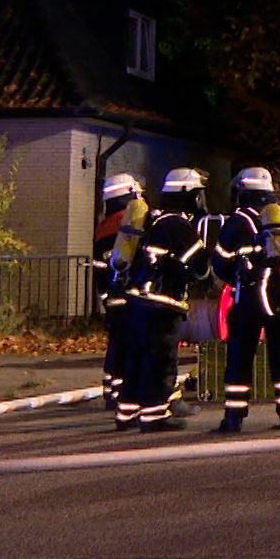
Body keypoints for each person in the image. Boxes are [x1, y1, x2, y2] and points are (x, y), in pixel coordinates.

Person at [211, 168, 280, 433]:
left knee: (240, 358)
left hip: (248, 298)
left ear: (243, 192)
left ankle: (233, 418)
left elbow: (219, 262)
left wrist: (237, 278)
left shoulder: (235, 223)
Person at [121, 168, 212, 431]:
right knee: (162, 360)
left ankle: (126, 413)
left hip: (138, 300)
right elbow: (198, 264)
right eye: (197, 194)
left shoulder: (152, 219)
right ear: (186, 195)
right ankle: (155, 416)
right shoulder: (177, 225)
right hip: (162, 303)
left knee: (137, 358)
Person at [94, 174, 145, 423]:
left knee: (116, 345)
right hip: (128, 296)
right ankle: (126, 394)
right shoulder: (126, 223)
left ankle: (111, 391)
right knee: (131, 345)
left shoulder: (103, 226)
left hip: (111, 297)